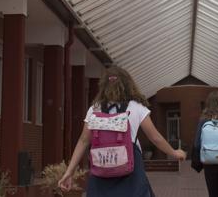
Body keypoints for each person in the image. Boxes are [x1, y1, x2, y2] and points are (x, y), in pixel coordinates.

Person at [60, 66, 186, 196]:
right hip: (130, 169)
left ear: (103, 85)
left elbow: (83, 141)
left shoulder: (95, 109)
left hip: (101, 170)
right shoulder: (136, 107)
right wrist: (174, 153)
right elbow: (155, 138)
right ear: (128, 84)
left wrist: (69, 172)